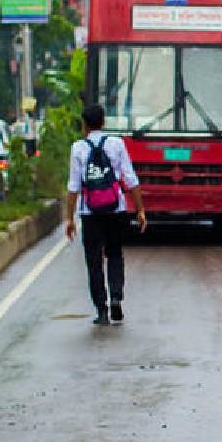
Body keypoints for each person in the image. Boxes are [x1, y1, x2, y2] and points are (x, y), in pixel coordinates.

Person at [65, 105, 147, 326]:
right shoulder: (116, 143)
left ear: (84, 125)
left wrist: (69, 218)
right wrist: (139, 209)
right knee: (114, 254)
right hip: (115, 209)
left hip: (89, 212)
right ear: (103, 122)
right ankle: (117, 298)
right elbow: (131, 179)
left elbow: (73, 186)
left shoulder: (78, 148)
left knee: (94, 261)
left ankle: (101, 310)